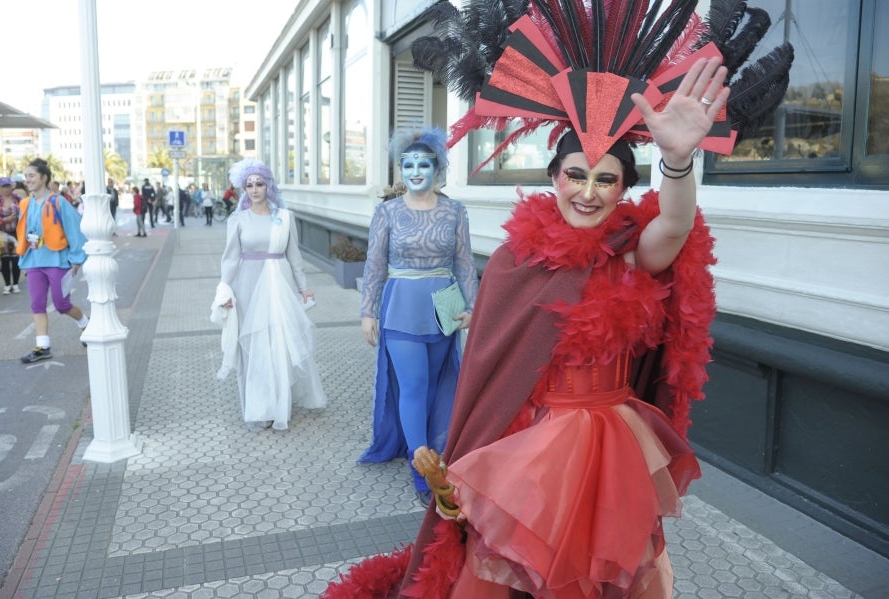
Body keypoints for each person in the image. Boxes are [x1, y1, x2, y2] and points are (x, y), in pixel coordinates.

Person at [323, 0, 793, 597]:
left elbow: (674, 229)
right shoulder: (517, 262)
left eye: (606, 180)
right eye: (577, 175)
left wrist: (677, 162)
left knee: (603, 575)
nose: (589, 193)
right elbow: (493, 372)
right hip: (531, 449)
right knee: (515, 571)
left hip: (614, 452)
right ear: (553, 177)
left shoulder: (628, 250)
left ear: (624, 189)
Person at [358, 126, 479, 507]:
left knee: (436, 385)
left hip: (443, 307)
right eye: (407, 165)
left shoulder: (455, 210)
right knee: (412, 385)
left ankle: (435, 449)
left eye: (423, 164)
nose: (415, 172)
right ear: (400, 170)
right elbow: (375, 264)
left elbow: (464, 263)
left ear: (437, 169)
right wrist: (368, 312)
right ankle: (421, 468)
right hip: (400, 307)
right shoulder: (387, 211)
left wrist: (473, 307)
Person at [211, 159, 327, 431]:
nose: (254, 189)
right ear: (243, 188)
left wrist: (303, 286)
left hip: (280, 286)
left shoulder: (285, 218)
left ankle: (279, 405)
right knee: (251, 347)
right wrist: (223, 291)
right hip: (248, 285)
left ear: (268, 185)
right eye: (249, 185)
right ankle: (259, 407)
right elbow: (230, 259)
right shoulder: (238, 220)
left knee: (278, 345)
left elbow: (294, 255)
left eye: (259, 183)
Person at [16, 158, 89, 363]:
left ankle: (85, 323)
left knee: (61, 304)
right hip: (33, 260)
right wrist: (24, 259)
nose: (27, 180)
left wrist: (76, 258)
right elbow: (24, 233)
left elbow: (74, 229)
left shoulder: (59, 201)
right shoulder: (24, 204)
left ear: (44, 177)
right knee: (37, 303)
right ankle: (43, 346)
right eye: (26, 176)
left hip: (57, 259)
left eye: (31, 176)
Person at [0, 177, 23, 294]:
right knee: (5, 259)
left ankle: (15, 284)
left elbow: (24, 214)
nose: (6, 189)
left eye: (8, 186)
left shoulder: (18, 199)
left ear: (11, 186)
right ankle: (7, 285)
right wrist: (5, 220)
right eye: (4, 186)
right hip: (1, 233)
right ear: (0, 187)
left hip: (16, 232)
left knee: (15, 259)